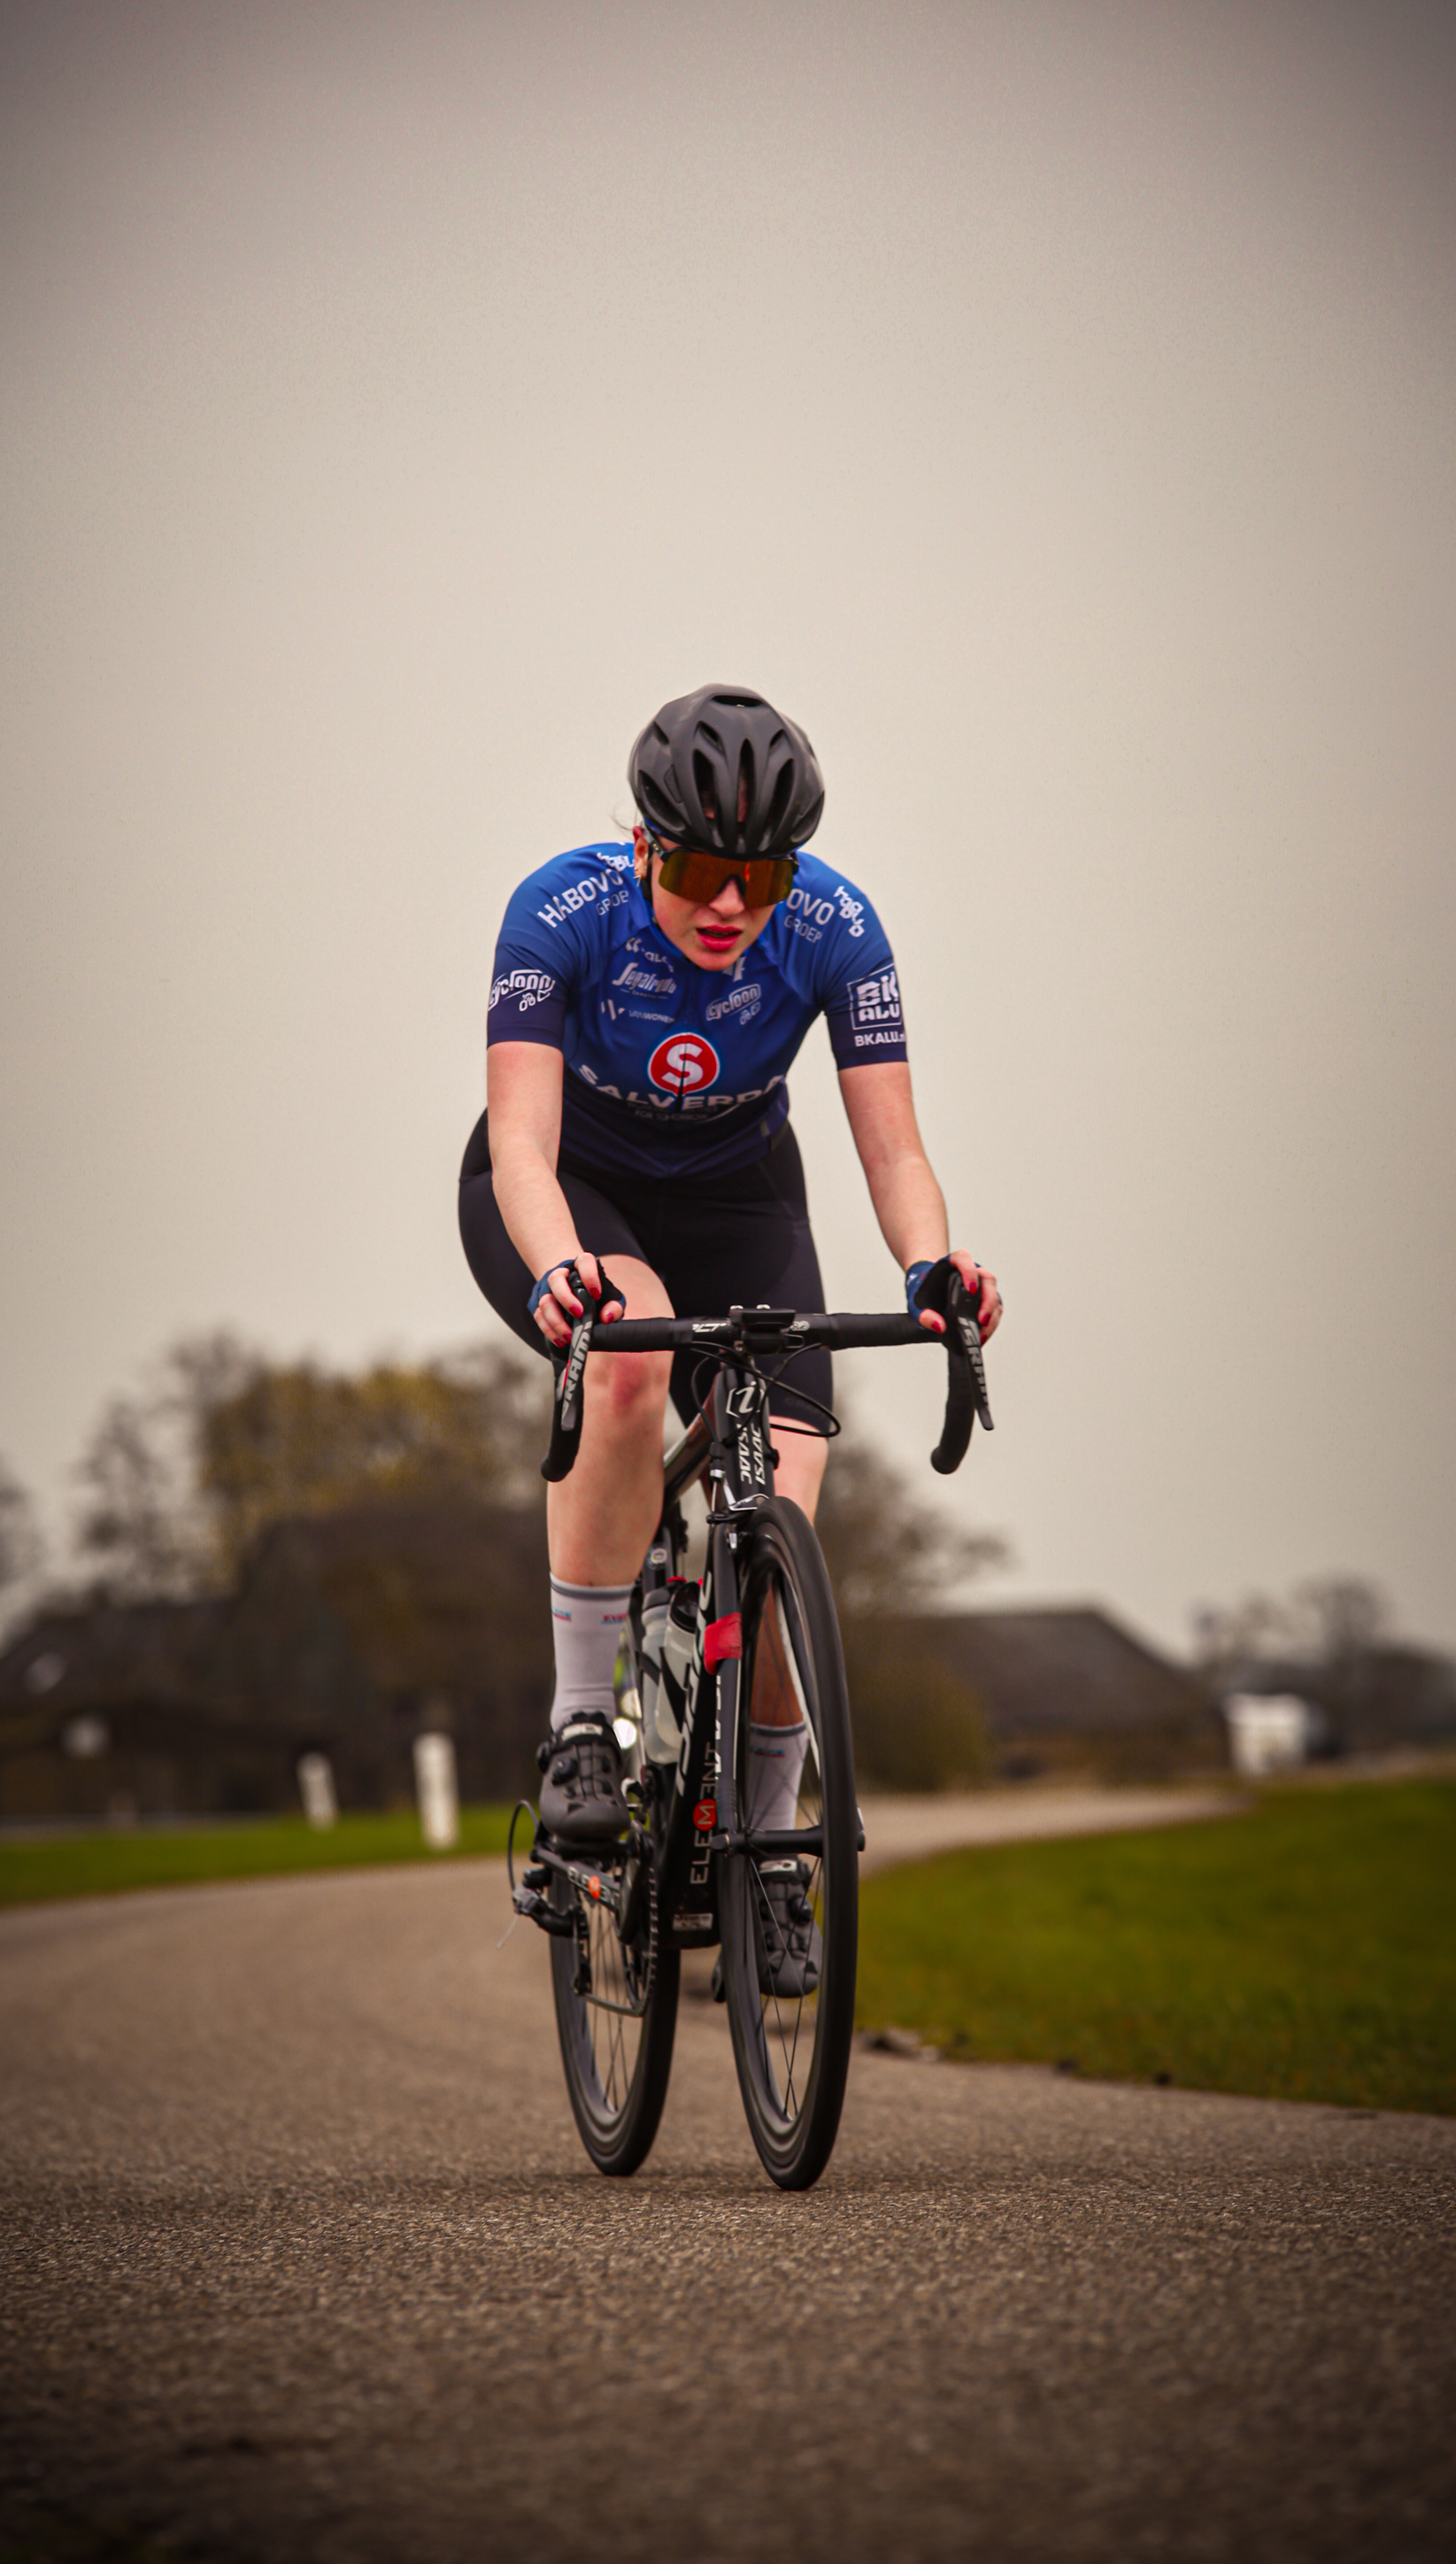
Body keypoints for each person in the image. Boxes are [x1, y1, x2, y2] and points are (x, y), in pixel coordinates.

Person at [458, 683, 1002, 1981]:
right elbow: (521, 1144)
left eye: (761, 877)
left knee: (788, 1512)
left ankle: (767, 1854)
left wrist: (932, 1267)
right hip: (568, 1190)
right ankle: (585, 1719)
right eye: (702, 870)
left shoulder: (837, 930)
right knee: (636, 1352)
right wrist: (559, 1272)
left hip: (744, 1200)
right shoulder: (559, 913)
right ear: (645, 844)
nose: (730, 906)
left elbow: (893, 1147)